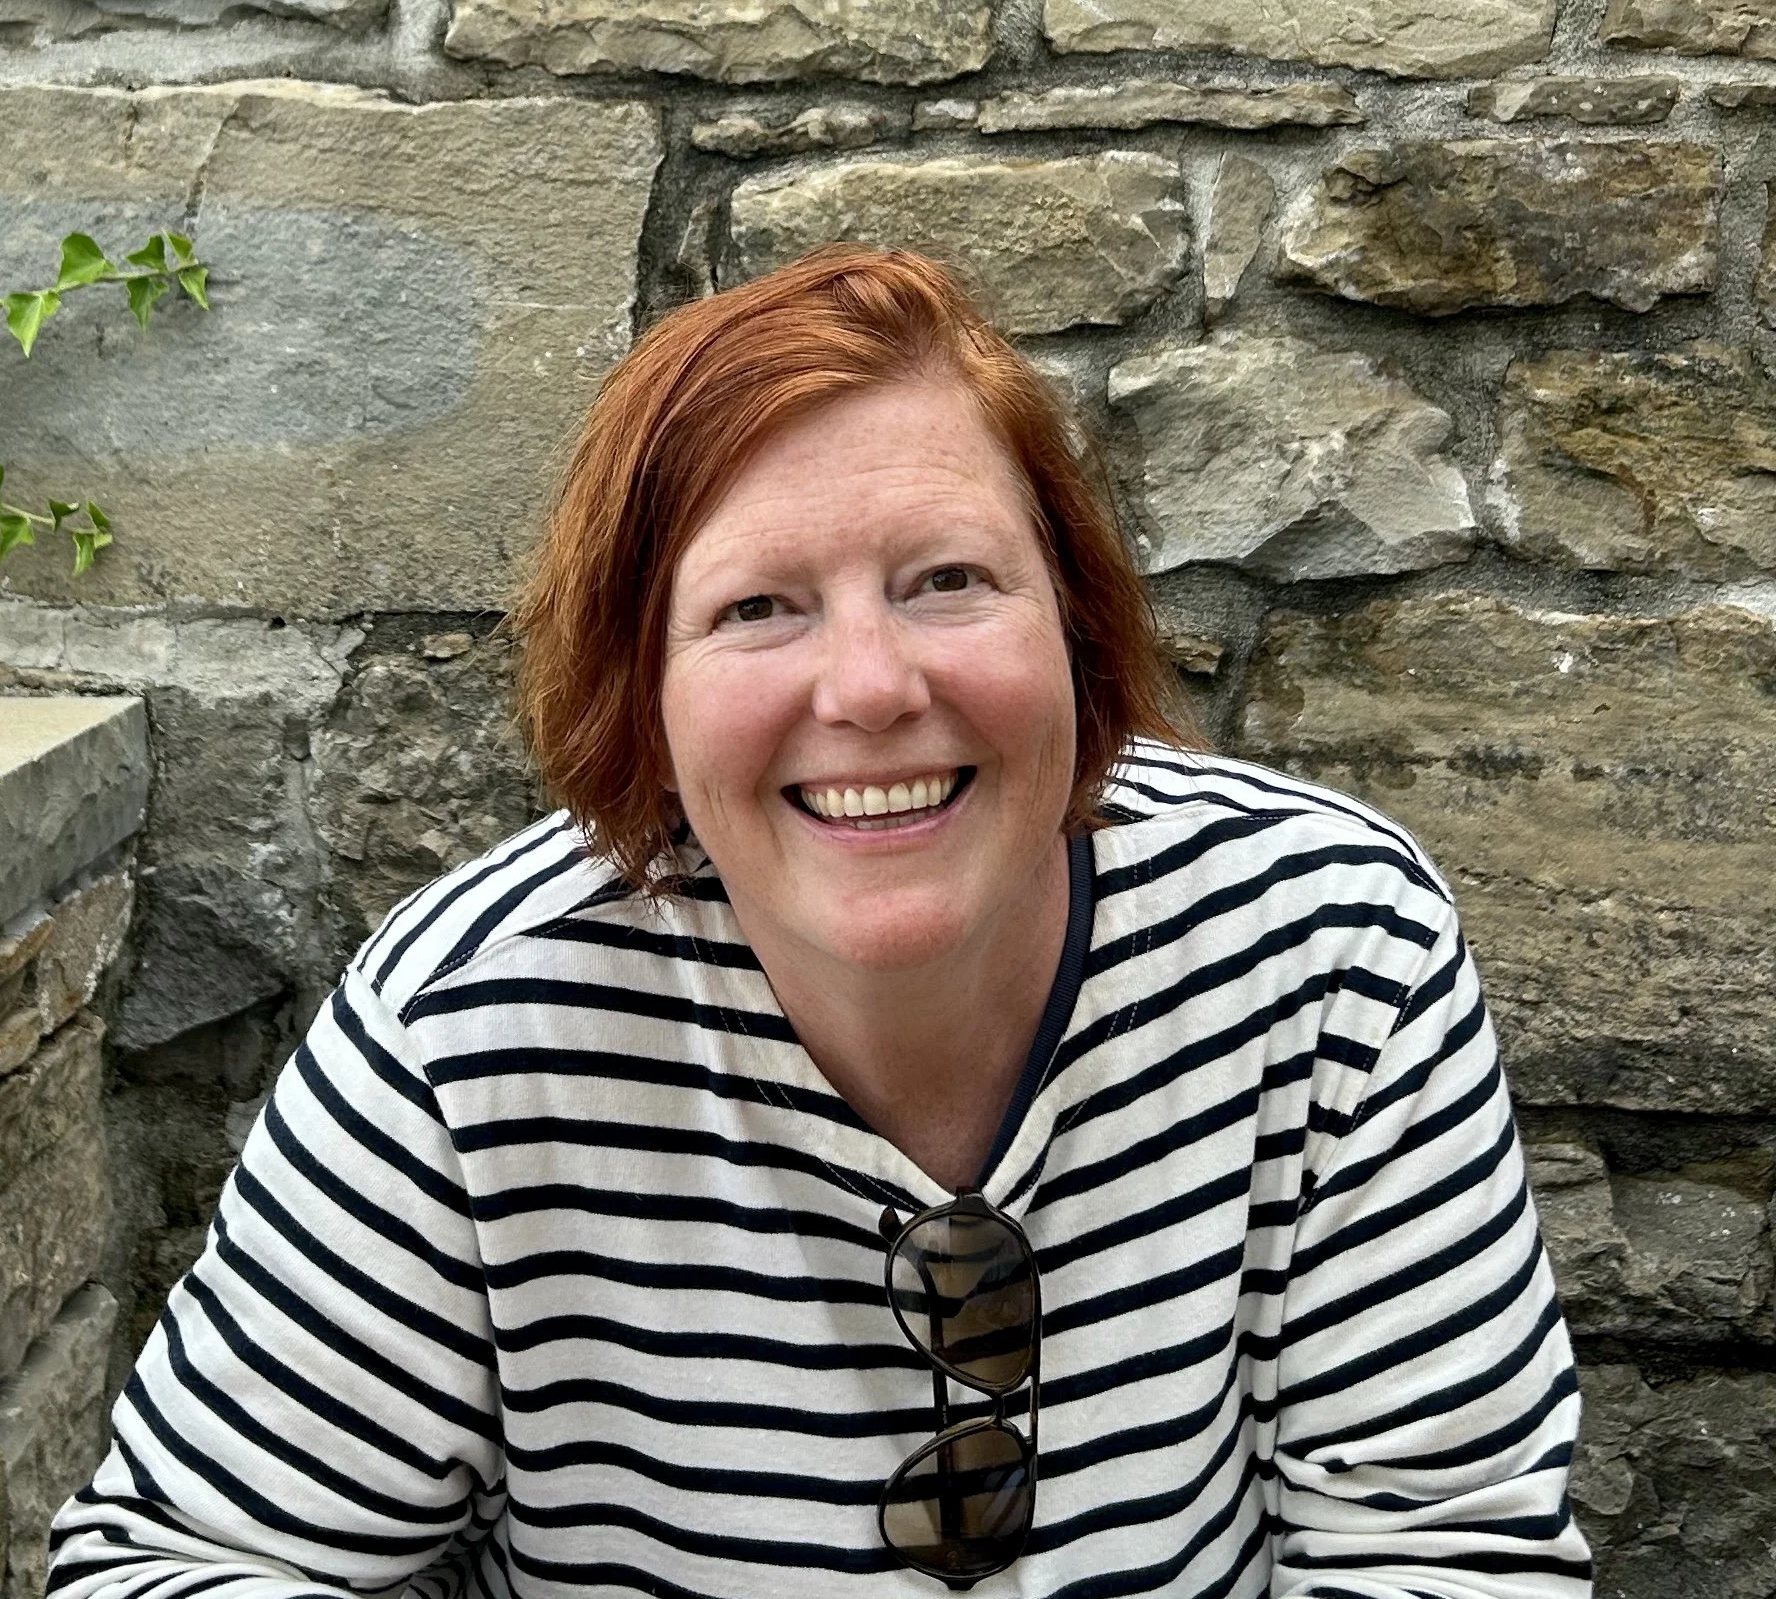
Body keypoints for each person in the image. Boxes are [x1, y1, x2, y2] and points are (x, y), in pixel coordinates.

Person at [49, 247, 1592, 1599]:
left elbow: (1445, 1550)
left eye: (946, 580)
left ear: (1077, 619)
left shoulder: (1331, 951)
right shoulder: (476, 1034)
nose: (866, 688)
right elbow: (185, 1559)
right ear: (640, 691)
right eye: (758, 608)